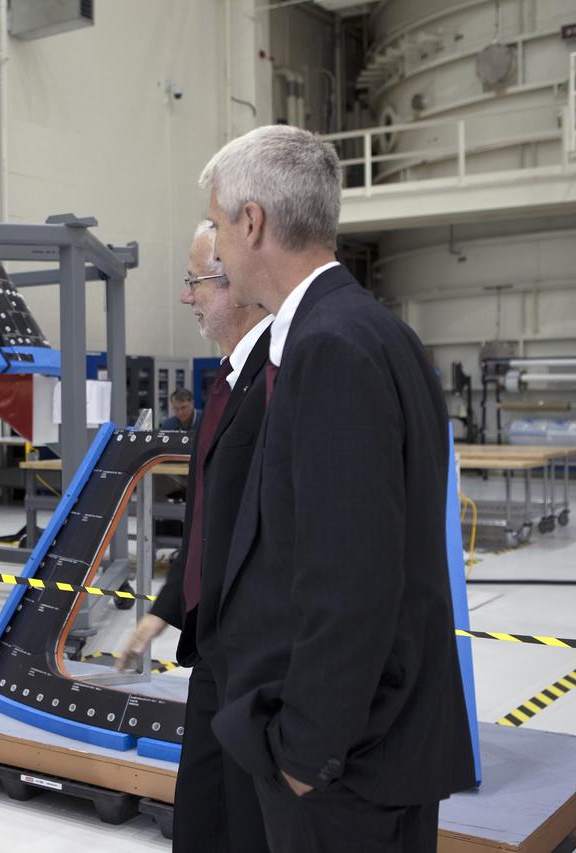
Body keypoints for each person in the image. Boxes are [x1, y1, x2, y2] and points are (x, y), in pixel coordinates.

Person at [200, 125, 476, 852]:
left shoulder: (330, 348)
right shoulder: (379, 332)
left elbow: (352, 576)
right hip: (376, 742)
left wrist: (303, 754)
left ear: (252, 221)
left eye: (221, 227)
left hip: (345, 763)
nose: (219, 251)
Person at [119, 219, 273, 852]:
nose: (187, 297)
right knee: (203, 816)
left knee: (237, 823)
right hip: (216, 647)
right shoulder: (231, 381)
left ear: (235, 279)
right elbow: (214, 513)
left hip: (257, 658)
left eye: (195, 281)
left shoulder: (279, 378)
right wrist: (164, 610)